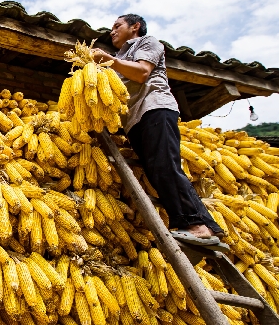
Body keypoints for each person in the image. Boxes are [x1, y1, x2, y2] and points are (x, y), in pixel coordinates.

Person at [92, 14, 224, 240]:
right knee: (156, 171)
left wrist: (108, 60)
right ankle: (198, 223)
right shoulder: (117, 58)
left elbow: (142, 73)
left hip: (154, 108)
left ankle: (198, 225)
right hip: (134, 121)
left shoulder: (147, 42)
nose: (112, 31)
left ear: (135, 26)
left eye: (117, 26)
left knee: (165, 166)